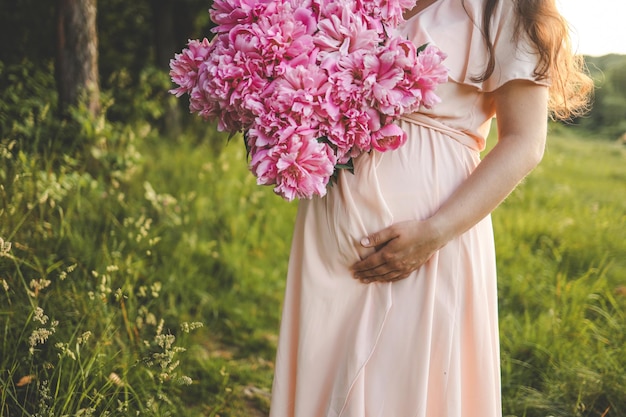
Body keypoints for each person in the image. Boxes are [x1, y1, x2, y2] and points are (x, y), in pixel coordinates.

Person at [268, 0, 593, 416]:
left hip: (431, 236)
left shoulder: (504, 7)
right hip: (329, 233)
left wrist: (436, 231)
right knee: (323, 372)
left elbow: (525, 142)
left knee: (403, 385)